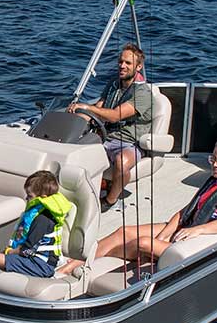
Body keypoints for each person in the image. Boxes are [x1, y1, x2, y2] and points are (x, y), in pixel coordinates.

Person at [89, 132, 217, 266]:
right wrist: (163, 236)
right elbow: (185, 211)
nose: (215, 165)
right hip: (184, 228)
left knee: (143, 243)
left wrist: (196, 230)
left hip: (193, 243)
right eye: (213, 159)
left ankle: (98, 261)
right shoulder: (216, 180)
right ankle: (80, 262)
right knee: (124, 232)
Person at [65, 42, 154, 211]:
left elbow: (114, 116)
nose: (122, 66)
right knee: (72, 149)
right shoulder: (113, 84)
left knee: (122, 162)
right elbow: (99, 108)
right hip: (105, 136)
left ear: (138, 67)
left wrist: (87, 106)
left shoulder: (143, 94)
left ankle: (110, 200)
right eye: (120, 61)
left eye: (128, 63)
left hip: (129, 143)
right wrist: (78, 115)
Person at [0, 170, 74, 286]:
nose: (26, 198)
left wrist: (11, 251)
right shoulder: (41, 213)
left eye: (30, 196)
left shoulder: (42, 219)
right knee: (0, 256)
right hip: (36, 260)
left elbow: (27, 250)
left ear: (43, 197)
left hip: (41, 265)